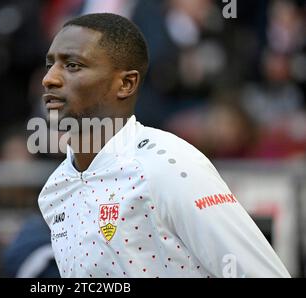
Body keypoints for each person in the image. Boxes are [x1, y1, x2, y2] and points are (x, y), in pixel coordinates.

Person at [37, 13, 290, 278]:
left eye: (73, 65)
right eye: (50, 64)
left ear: (126, 83)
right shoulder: (54, 190)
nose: (49, 79)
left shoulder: (170, 166)